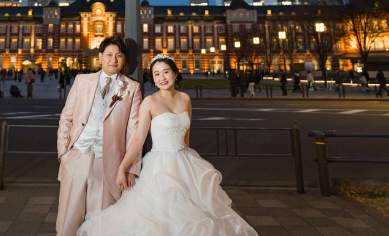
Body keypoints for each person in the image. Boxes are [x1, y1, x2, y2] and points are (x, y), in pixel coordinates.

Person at [77, 54, 257, 236]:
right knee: (159, 217)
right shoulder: (150, 102)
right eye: (156, 74)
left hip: (186, 163)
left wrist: (189, 162)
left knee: (194, 215)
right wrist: (122, 168)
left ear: (175, 74)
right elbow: (139, 139)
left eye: (166, 72)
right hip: (160, 166)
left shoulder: (185, 99)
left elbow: (186, 136)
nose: (161, 78)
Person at [56, 36, 142, 236]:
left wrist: (130, 168)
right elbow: (66, 118)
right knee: (68, 219)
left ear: (123, 60)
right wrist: (63, 154)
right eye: (109, 55)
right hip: (77, 155)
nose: (114, 59)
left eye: (119, 56)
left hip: (110, 162)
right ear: (100, 57)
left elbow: (134, 132)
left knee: (101, 221)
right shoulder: (82, 81)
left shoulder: (132, 88)